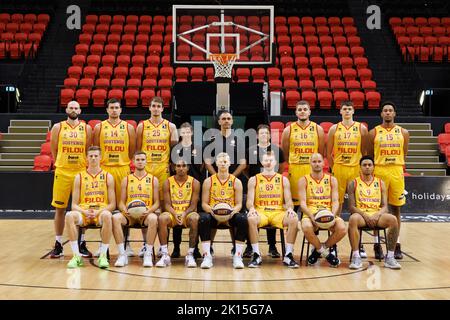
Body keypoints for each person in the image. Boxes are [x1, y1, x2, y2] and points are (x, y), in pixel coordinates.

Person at [93, 98, 136, 257]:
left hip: (122, 169)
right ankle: (102, 244)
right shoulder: (99, 127)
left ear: (121, 110)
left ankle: (127, 244)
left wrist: (123, 161)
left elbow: (132, 150)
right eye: (111, 108)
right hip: (104, 170)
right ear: (107, 110)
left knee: (124, 208)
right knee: (102, 207)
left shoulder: (129, 128)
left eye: (117, 108)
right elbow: (96, 148)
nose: (114, 110)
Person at [49, 101, 92, 258]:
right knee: (60, 209)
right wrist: (59, 164)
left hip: (80, 172)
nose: (73, 110)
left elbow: (88, 149)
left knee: (80, 209)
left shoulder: (86, 128)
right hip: (63, 171)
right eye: (71, 107)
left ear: (80, 110)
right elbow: (54, 149)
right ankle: (58, 243)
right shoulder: (57, 127)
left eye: (76, 108)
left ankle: (81, 243)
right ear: (66, 109)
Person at [136, 96, 178, 256]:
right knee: (143, 206)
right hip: (145, 170)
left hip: (162, 169)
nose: (155, 109)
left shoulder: (170, 126)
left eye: (158, 106)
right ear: (149, 108)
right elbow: (138, 149)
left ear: (163, 108)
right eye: (153, 106)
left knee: (160, 208)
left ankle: (162, 245)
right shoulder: (142, 126)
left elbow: (174, 149)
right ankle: (146, 245)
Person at [326, 100, 368, 256]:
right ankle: (333, 245)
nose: (347, 111)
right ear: (340, 111)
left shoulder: (361, 128)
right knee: (336, 207)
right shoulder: (333, 129)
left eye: (350, 108)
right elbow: (328, 153)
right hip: (339, 169)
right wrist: (334, 168)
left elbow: (364, 152)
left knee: (356, 207)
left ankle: (358, 244)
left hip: (355, 170)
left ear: (353, 111)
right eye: (344, 109)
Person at [368, 102, 409, 260]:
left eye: (390, 110)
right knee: (376, 208)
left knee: (396, 209)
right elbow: (369, 153)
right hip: (380, 170)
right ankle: (377, 243)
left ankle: (396, 244)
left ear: (394, 114)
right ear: (381, 114)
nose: (387, 113)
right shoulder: (374, 132)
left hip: (396, 170)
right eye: (385, 110)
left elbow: (404, 154)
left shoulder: (403, 132)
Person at [203, 111, 247, 256]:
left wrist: (231, 177)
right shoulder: (213, 139)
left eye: (229, 118)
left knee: (232, 212)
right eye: (223, 119)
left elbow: (243, 163)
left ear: (232, 121)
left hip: (234, 182)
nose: (226, 121)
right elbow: (207, 161)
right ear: (219, 122)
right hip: (216, 183)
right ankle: (209, 247)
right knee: (216, 211)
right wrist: (216, 176)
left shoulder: (239, 140)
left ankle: (236, 248)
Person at [246, 152, 299, 268]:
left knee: (294, 219)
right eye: (266, 160)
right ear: (261, 162)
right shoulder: (253, 179)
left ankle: (288, 255)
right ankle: (256, 254)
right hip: (261, 212)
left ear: (275, 162)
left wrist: (290, 208)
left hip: (278, 212)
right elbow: (249, 201)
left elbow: (289, 200)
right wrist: (251, 209)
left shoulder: (283, 180)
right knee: (251, 219)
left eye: (271, 160)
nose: (268, 163)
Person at [347, 156, 401, 269]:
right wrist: (366, 216)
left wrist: (376, 215)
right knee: (353, 219)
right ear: (360, 167)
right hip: (362, 216)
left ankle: (390, 257)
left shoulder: (380, 183)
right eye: (364, 165)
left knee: (393, 219)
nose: (367, 167)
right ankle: (356, 257)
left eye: (369, 165)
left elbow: (385, 206)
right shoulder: (353, 183)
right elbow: (352, 207)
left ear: (373, 167)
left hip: (377, 215)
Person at [65, 146, 115, 269]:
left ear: (100, 158)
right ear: (86, 158)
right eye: (91, 156)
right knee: (69, 215)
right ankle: (76, 256)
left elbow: (112, 204)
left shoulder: (108, 176)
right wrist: (84, 211)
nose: (93, 158)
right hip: (84, 212)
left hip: (100, 211)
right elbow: (74, 205)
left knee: (108, 215)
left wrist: (98, 212)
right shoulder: (79, 177)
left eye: (96, 156)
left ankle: (103, 255)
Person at [198, 152, 248, 269]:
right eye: (220, 161)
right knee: (203, 219)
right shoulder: (208, 181)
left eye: (225, 161)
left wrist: (231, 212)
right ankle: (207, 255)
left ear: (230, 163)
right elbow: (204, 203)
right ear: (216, 163)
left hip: (230, 214)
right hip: (213, 214)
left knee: (242, 219)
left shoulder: (236, 182)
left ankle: (237, 255)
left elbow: (239, 204)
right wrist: (213, 212)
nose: (223, 164)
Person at [298, 153, 347, 267]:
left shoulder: (332, 180)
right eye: (314, 162)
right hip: (311, 213)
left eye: (319, 161)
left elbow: (335, 201)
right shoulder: (303, 180)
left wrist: (333, 215)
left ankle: (318, 251)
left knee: (342, 229)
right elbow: (302, 203)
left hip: (328, 212)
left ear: (323, 163)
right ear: (310, 163)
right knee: (306, 227)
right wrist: (311, 216)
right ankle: (327, 254)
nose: (317, 164)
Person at [112, 151, 160, 267]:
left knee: (153, 218)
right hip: (130, 215)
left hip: (145, 215)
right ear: (133, 162)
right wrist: (124, 210)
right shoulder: (126, 180)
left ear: (146, 161)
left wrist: (149, 211)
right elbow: (121, 202)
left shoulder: (153, 179)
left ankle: (147, 253)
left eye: (142, 159)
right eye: (137, 160)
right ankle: (122, 254)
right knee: (115, 218)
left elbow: (157, 202)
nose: (140, 162)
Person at [247, 124, 286, 258]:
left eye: (266, 133)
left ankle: (272, 246)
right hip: (256, 185)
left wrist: (273, 178)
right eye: (261, 133)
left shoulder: (277, 150)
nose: (264, 135)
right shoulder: (251, 150)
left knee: (272, 210)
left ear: (270, 135)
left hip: (273, 186)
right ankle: (249, 247)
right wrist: (254, 179)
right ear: (257, 136)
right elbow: (247, 168)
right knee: (253, 213)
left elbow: (281, 167)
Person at [156, 159, 201, 268]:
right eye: (178, 166)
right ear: (174, 168)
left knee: (195, 218)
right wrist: (175, 214)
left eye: (184, 165)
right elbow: (167, 204)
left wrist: (184, 213)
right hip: (173, 213)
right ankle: (165, 254)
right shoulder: (167, 182)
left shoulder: (195, 182)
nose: (181, 168)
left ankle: (190, 254)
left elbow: (193, 205)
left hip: (188, 213)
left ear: (188, 168)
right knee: (162, 218)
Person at [170, 122, 204, 259]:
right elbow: (171, 167)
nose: (185, 134)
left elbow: (201, 167)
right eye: (182, 132)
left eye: (187, 132)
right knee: (177, 215)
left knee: (196, 218)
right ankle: (176, 248)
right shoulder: (174, 149)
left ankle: (195, 248)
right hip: (178, 187)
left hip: (194, 186)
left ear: (192, 133)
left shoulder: (198, 149)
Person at [281, 100, 325, 207]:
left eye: (305, 109)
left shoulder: (317, 129)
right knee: (295, 203)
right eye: (299, 110)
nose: (302, 112)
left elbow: (321, 152)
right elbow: (285, 153)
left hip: (312, 168)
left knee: (312, 201)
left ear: (309, 112)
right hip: (295, 168)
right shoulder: (288, 130)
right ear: (296, 113)